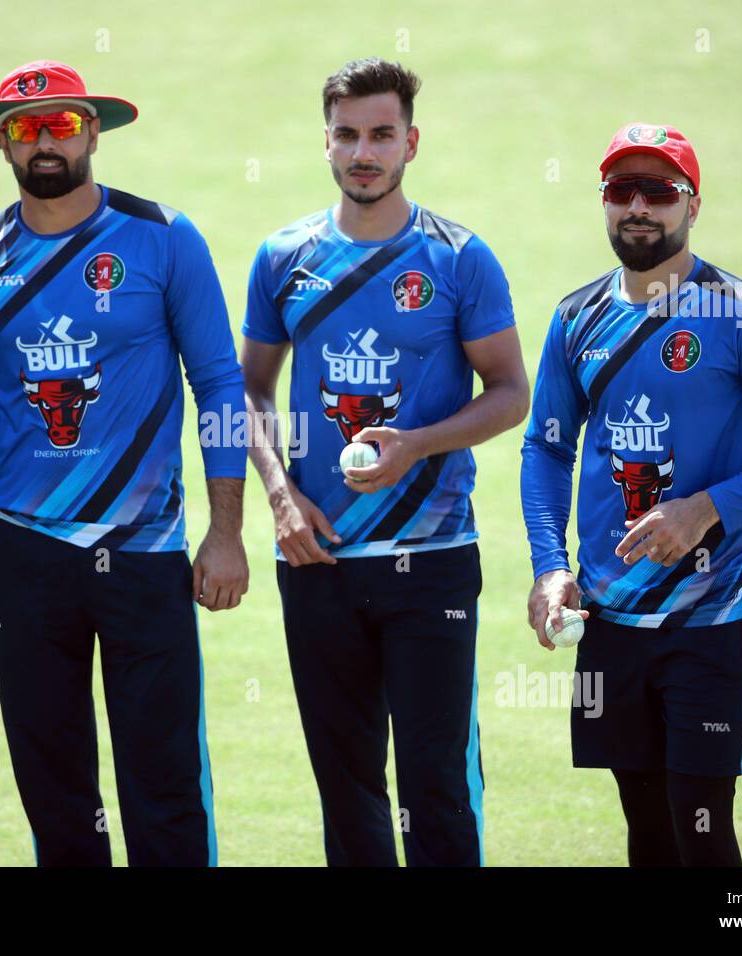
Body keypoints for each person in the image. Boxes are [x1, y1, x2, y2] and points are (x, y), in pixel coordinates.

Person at [0, 60, 247, 866]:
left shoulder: (163, 236)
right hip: (22, 552)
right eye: (25, 127)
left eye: (61, 124)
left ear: (93, 132)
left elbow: (217, 384)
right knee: (52, 781)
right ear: (2, 142)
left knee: (164, 777)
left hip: (143, 552)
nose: (44, 141)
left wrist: (226, 532)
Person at [520, 123, 742, 866]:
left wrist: (707, 509)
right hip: (609, 614)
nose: (637, 207)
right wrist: (548, 563)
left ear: (693, 205)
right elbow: (546, 445)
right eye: (620, 190)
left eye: (658, 191)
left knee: (700, 824)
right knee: (646, 827)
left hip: (710, 614)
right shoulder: (575, 318)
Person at [241, 58, 530, 866]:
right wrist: (281, 498)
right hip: (318, 558)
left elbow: (511, 392)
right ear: (325, 142)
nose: (362, 152)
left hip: (431, 559)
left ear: (411, 142)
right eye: (347, 135)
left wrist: (417, 445)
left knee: (435, 783)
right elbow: (248, 396)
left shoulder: (457, 257)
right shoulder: (283, 256)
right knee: (346, 786)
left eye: (380, 135)